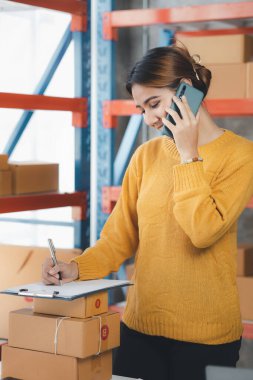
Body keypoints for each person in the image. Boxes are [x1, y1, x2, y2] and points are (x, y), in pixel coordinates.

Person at [42, 42, 253, 380]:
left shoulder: (240, 156)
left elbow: (201, 232)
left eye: (154, 103)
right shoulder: (146, 156)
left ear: (187, 88)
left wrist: (188, 155)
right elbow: (119, 239)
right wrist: (75, 268)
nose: (149, 119)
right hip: (139, 331)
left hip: (206, 339)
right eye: (141, 109)